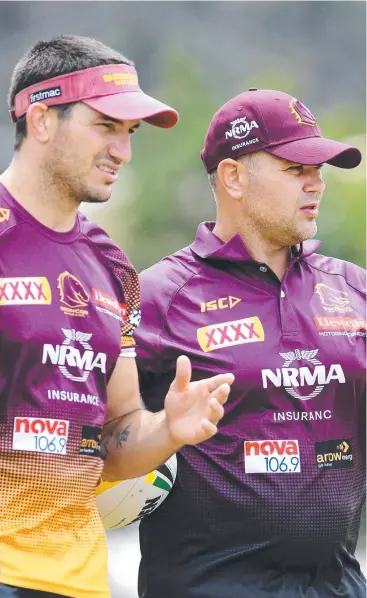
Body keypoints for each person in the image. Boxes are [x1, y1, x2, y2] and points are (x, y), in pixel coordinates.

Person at [0, 35, 234, 598]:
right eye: (106, 127)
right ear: (42, 119)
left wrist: (167, 430)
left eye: (129, 135)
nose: (124, 153)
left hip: (81, 581)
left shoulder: (112, 267)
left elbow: (117, 436)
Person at [135, 88, 366, 598]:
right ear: (234, 177)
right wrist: (159, 431)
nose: (316, 185)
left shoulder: (353, 288)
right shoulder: (158, 296)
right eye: (294, 170)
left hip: (339, 587)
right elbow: (104, 440)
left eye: (320, 171)